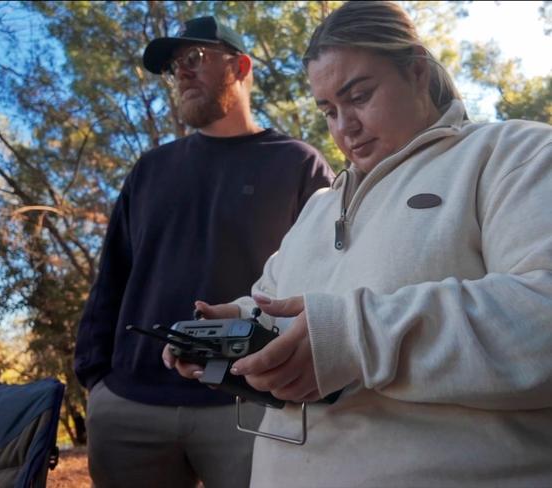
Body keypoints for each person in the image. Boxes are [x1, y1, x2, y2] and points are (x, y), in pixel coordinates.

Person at [166, 2, 552, 487]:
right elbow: (280, 308)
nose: (343, 126)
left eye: (360, 96)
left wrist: (353, 340)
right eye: (328, 110)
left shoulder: (513, 155)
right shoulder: (319, 207)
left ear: (415, 71)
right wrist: (238, 326)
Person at [74, 15, 334, 488]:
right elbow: (111, 276)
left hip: (251, 402)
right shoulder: (151, 170)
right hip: (131, 407)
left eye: (194, 58)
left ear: (241, 66)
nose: (182, 74)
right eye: (175, 67)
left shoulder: (298, 163)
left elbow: (330, 275)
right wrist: (96, 380)